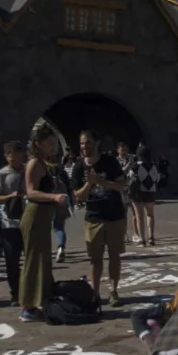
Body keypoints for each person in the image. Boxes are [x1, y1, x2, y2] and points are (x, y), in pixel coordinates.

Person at [71, 129, 128, 307]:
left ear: (97, 144)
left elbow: (121, 184)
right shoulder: (79, 167)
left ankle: (113, 291)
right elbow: (77, 196)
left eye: (88, 142)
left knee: (114, 256)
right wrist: (90, 182)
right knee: (95, 259)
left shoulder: (110, 162)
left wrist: (101, 182)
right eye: (82, 143)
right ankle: (95, 294)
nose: (84, 146)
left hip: (115, 215)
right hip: (93, 217)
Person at [19, 126, 69, 322]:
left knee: (43, 260)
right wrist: (54, 196)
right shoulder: (33, 164)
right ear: (38, 144)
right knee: (32, 261)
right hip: (35, 214)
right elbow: (30, 192)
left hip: (44, 216)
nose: (53, 148)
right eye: (49, 144)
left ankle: (43, 299)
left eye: (54, 144)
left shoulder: (45, 163)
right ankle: (27, 307)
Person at [0, 141, 26, 306]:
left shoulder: (28, 171)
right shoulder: (1, 175)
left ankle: (34, 290)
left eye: (17, 154)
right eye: (11, 155)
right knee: (12, 261)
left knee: (33, 259)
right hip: (9, 223)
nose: (15, 158)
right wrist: (9, 197)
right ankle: (15, 294)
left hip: (28, 221)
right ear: (6, 156)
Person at [129, 144, 160, 247]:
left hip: (138, 193)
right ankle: (151, 237)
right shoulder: (154, 165)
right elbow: (157, 178)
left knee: (139, 216)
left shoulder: (136, 166)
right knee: (150, 214)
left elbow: (130, 177)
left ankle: (142, 240)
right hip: (151, 192)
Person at [116, 142, 136, 244]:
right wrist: (129, 164)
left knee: (135, 212)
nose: (124, 152)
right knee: (123, 214)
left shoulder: (131, 159)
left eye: (126, 150)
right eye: (122, 150)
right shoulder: (115, 161)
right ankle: (123, 235)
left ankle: (136, 234)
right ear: (118, 150)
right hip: (121, 190)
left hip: (132, 188)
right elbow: (121, 172)